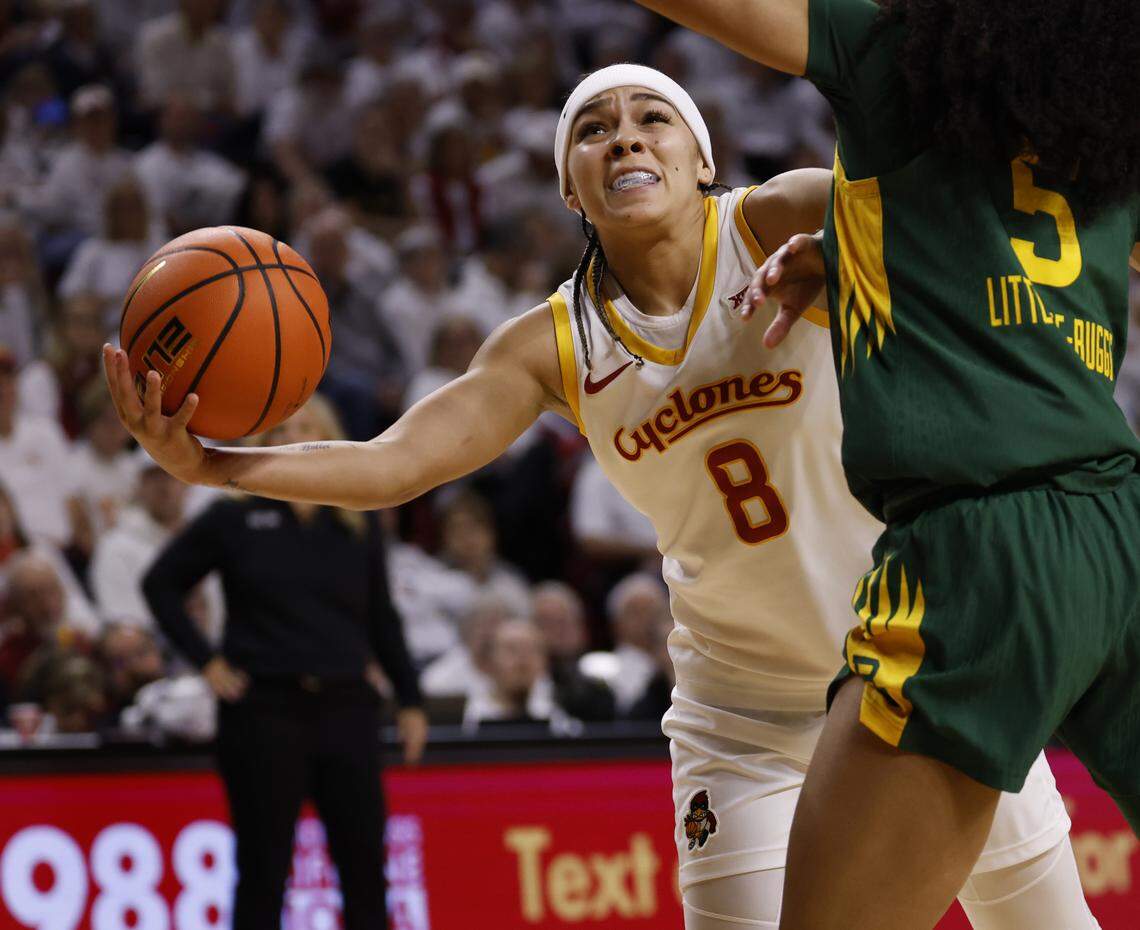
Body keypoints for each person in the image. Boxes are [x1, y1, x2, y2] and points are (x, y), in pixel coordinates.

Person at [105, 65, 1099, 930]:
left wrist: (864, 260)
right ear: (571, 188)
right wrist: (216, 467)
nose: (624, 133)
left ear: (703, 160)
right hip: (743, 717)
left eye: (651, 117)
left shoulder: (783, 217)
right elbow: (399, 461)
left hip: (914, 666)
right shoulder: (552, 345)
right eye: (594, 126)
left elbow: (970, 227)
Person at [632, 1, 1140, 927]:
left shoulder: (897, 50)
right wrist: (875, 255)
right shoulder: (1103, 106)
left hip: (982, 552)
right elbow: (1009, 234)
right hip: (1118, 533)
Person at [140, 395, 427, 930]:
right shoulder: (233, 516)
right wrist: (206, 661)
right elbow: (160, 584)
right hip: (264, 710)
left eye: (312, 431)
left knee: (366, 875)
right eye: (285, 432)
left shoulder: (356, 524)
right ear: (264, 444)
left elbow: (382, 619)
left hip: (347, 708)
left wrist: (410, 699)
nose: (298, 442)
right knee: (264, 875)